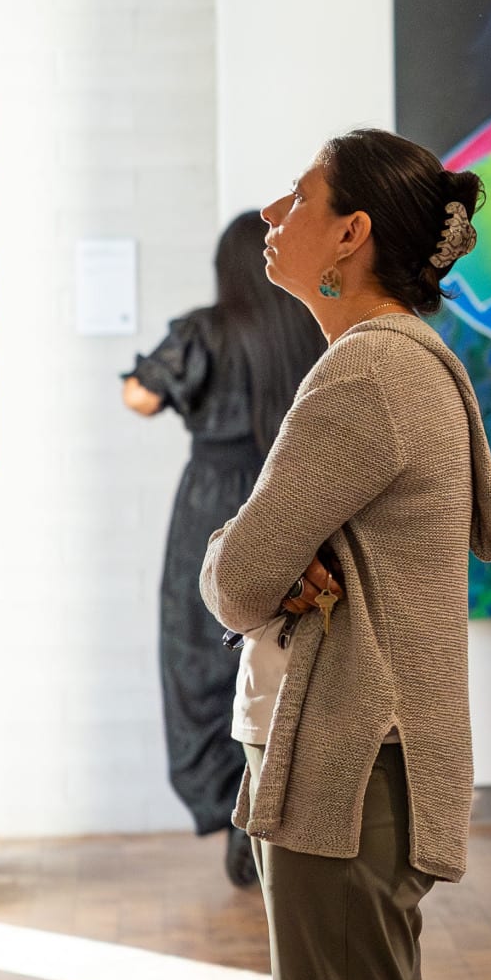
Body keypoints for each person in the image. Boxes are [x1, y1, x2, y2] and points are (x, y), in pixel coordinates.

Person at [201, 129, 491, 980]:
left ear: (352, 233)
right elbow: (270, 561)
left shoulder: (366, 369)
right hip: (379, 760)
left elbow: (235, 581)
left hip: (345, 764)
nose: (274, 209)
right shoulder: (408, 355)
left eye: (302, 194)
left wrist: (253, 556)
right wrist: (275, 554)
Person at [123, 212, 328, 887]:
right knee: (287, 658)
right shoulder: (308, 326)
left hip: (214, 503)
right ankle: (278, 811)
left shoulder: (205, 330)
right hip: (290, 496)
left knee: (198, 659)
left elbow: (142, 398)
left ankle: (236, 816)